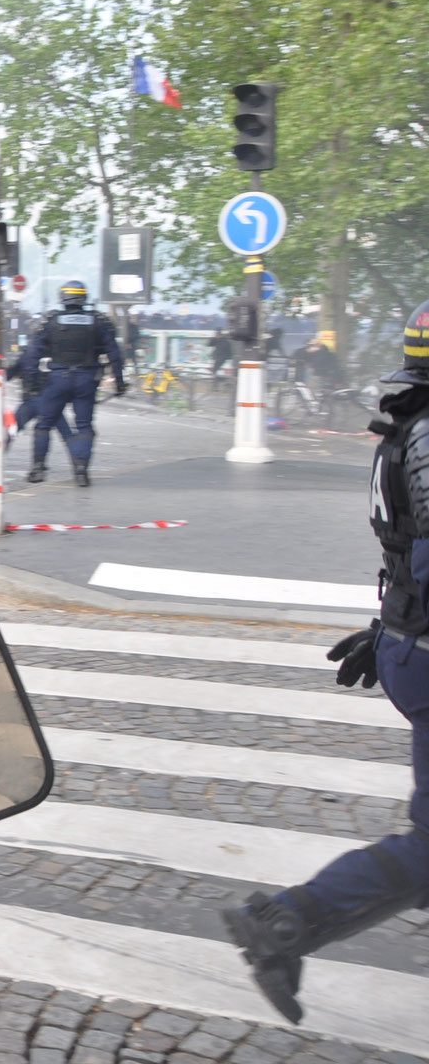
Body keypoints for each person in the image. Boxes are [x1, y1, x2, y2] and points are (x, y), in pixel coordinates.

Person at [224, 301, 429, 1023]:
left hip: (411, 644)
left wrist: (389, 629)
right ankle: (285, 923)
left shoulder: (405, 426)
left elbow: (407, 548)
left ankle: (288, 926)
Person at [18, 280, 125, 486]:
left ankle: (38, 469)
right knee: (84, 426)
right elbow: (114, 354)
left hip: (57, 379)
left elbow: (31, 355)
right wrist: (119, 382)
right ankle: (81, 471)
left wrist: (31, 383)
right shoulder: (98, 321)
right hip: (86, 379)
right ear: (83, 297)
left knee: (44, 425)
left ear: (63, 298)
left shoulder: (51, 321)